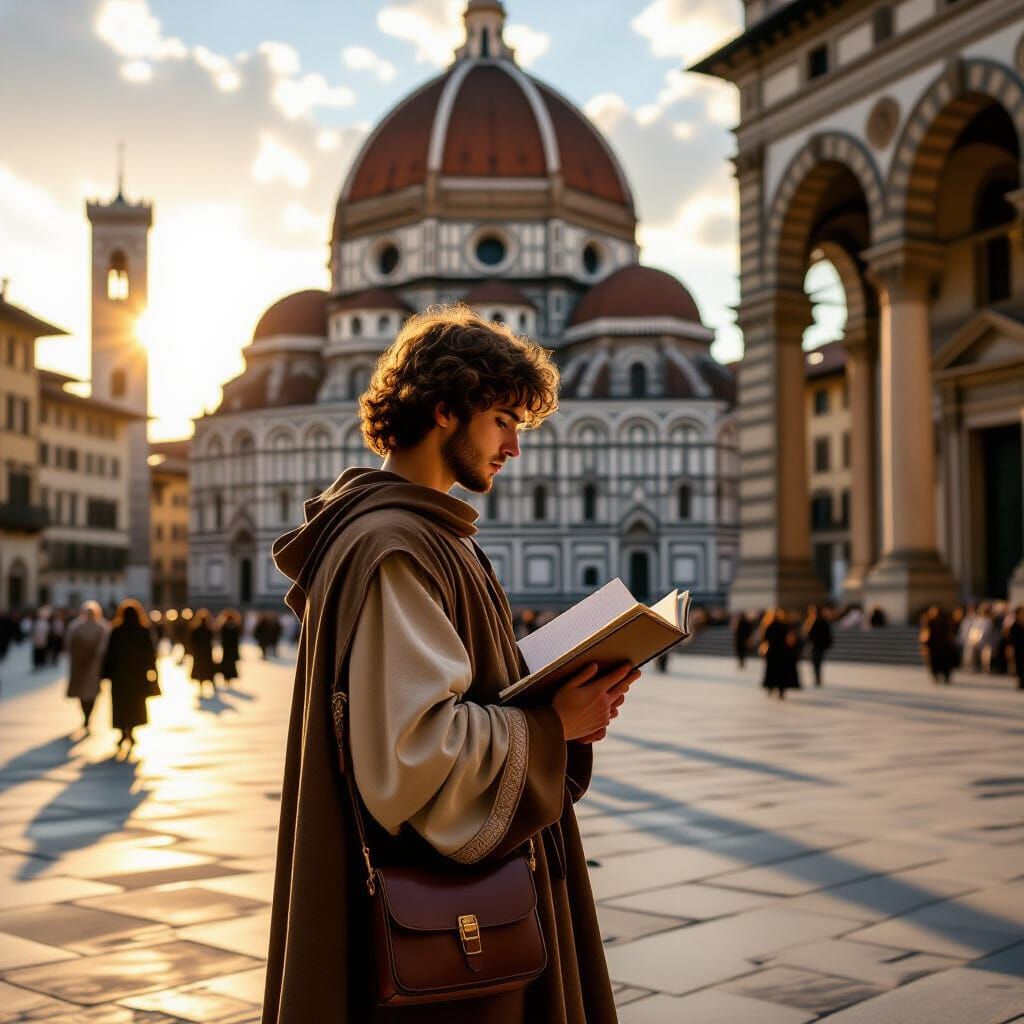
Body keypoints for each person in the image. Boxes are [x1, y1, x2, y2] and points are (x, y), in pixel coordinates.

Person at [262, 307, 635, 1024]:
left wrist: (556, 687)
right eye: (502, 420)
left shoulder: (419, 533)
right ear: (443, 410)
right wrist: (552, 725)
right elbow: (413, 753)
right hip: (446, 930)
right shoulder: (395, 545)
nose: (514, 447)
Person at [101, 599, 157, 751]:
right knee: (135, 705)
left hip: (119, 675)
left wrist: (105, 674)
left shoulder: (116, 630)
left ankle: (122, 732)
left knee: (120, 705)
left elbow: (109, 654)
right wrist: (153, 672)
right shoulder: (143, 630)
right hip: (137, 675)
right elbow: (150, 654)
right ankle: (131, 731)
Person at [64, 600, 109, 733]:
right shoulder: (102, 627)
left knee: (81, 692)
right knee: (92, 692)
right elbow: (103, 648)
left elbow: (68, 644)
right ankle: (88, 715)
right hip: (94, 665)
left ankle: (86, 715)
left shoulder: (75, 626)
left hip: (79, 664)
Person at [760, 608, 800, 699]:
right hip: (782, 652)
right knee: (781, 673)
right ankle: (781, 690)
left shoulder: (768, 625)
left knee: (771, 672)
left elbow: (764, 639)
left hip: (772, 652)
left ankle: (770, 687)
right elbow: (790, 640)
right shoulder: (784, 626)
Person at [920, 606, 956, 684]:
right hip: (934, 647)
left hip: (943, 647)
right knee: (936, 664)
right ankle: (938, 677)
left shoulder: (944, 622)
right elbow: (926, 635)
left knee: (944, 664)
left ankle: (945, 677)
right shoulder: (930, 622)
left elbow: (949, 635)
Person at [189, 609, 217, 696]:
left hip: (200, 654)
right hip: (205, 653)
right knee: (207, 671)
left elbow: (192, 641)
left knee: (201, 671)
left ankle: (203, 687)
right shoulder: (208, 629)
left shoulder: (196, 629)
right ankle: (211, 686)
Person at [803, 605, 833, 687]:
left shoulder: (812, 621)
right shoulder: (823, 621)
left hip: (815, 645)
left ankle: (817, 679)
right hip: (820, 645)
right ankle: (818, 678)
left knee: (815, 662)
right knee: (818, 662)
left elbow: (808, 634)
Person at [217, 609, 242, 685]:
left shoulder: (224, 626)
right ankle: (228, 678)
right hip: (230, 649)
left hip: (227, 649)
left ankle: (227, 678)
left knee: (227, 664)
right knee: (230, 664)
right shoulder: (234, 627)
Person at [1005, 606, 1024, 691]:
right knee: (1019, 665)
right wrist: (1009, 648)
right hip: (1017, 648)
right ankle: (1021, 681)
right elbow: (1010, 639)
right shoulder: (1014, 625)